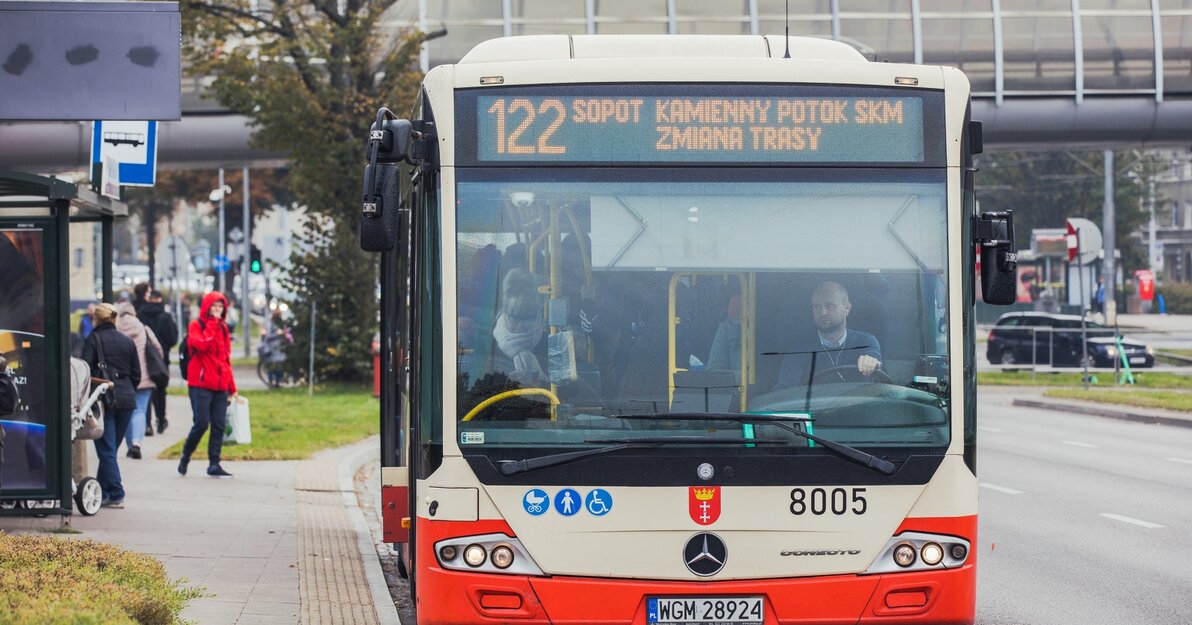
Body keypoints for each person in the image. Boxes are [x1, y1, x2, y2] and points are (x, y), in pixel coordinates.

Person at [79, 303, 140, 508]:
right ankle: (103, 492)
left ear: (96, 318)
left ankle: (115, 492)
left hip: (103, 398)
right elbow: (136, 375)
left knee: (106, 450)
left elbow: (84, 372)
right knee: (110, 450)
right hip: (127, 398)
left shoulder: (93, 339)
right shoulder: (127, 341)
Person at [775, 281, 883, 389]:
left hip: (858, 405)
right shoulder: (799, 350)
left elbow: (873, 357)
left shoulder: (865, 342)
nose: (822, 313)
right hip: (815, 406)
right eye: (817, 307)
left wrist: (870, 362)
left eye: (830, 306)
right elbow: (783, 391)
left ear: (847, 308)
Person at [179, 291, 237, 478]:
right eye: (214, 306)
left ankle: (214, 463)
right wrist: (212, 322)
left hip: (220, 386)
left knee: (219, 425)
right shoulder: (197, 325)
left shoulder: (224, 329)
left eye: (221, 307)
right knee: (201, 423)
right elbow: (201, 344)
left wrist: (231, 386)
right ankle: (186, 455)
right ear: (207, 307)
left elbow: (225, 359)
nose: (217, 310)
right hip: (201, 384)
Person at [115, 302, 163, 459]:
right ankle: (136, 443)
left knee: (128, 411)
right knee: (140, 410)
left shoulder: (116, 329)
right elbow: (158, 349)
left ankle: (130, 446)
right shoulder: (144, 328)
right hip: (145, 376)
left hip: (125, 377)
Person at [492, 268, 547, 386]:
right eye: (515, 318)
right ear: (504, 313)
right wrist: (507, 385)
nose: (521, 325)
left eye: (528, 318)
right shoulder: (489, 346)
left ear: (537, 317)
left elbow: (569, 390)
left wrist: (540, 384)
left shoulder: (549, 344)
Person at [138, 289, 179, 434]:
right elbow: (173, 338)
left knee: (146, 389)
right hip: (162, 359)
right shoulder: (166, 317)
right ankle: (161, 420)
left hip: (144, 359)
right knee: (161, 391)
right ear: (160, 299)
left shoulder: (140, 315)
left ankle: (147, 424)